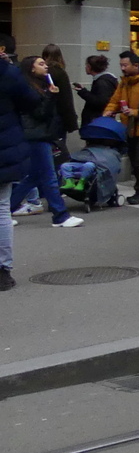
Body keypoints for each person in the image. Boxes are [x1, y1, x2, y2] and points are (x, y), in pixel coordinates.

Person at [9, 56, 83, 228]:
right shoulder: (28, 88)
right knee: (49, 175)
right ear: (31, 68)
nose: (46, 67)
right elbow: (40, 113)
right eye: (41, 64)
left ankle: (4, 210)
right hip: (36, 135)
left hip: (39, 134)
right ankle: (60, 215)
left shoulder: (39, 85)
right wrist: (51, 96)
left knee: (34, 176)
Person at [0, 41, 42, 290]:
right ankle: (2, 269)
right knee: (1, 209)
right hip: (4, 147)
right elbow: (31, 101)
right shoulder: (8, 72)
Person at [103, 50, 139, 207]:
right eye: (121, 65)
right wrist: (108, 110)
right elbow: (115, 100)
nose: (123, 68)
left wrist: (135, 112)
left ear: (136, 65)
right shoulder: (124, 82)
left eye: (125, 65)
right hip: (129, 129)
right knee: (135, 161)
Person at [40, 44, 79, 141]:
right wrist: (71, 121)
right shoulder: (60, 73)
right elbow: (66, 99)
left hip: (45, 115)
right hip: (58, 116)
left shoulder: (42, 74)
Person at [75, 54, 118, 125]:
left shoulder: (102, 82)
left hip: (97, 121)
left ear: (90, 67)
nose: (85, 67)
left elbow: (100, 102)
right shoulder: (104, 80)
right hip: (99, 120)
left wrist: (83, 92)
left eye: (86, 65)